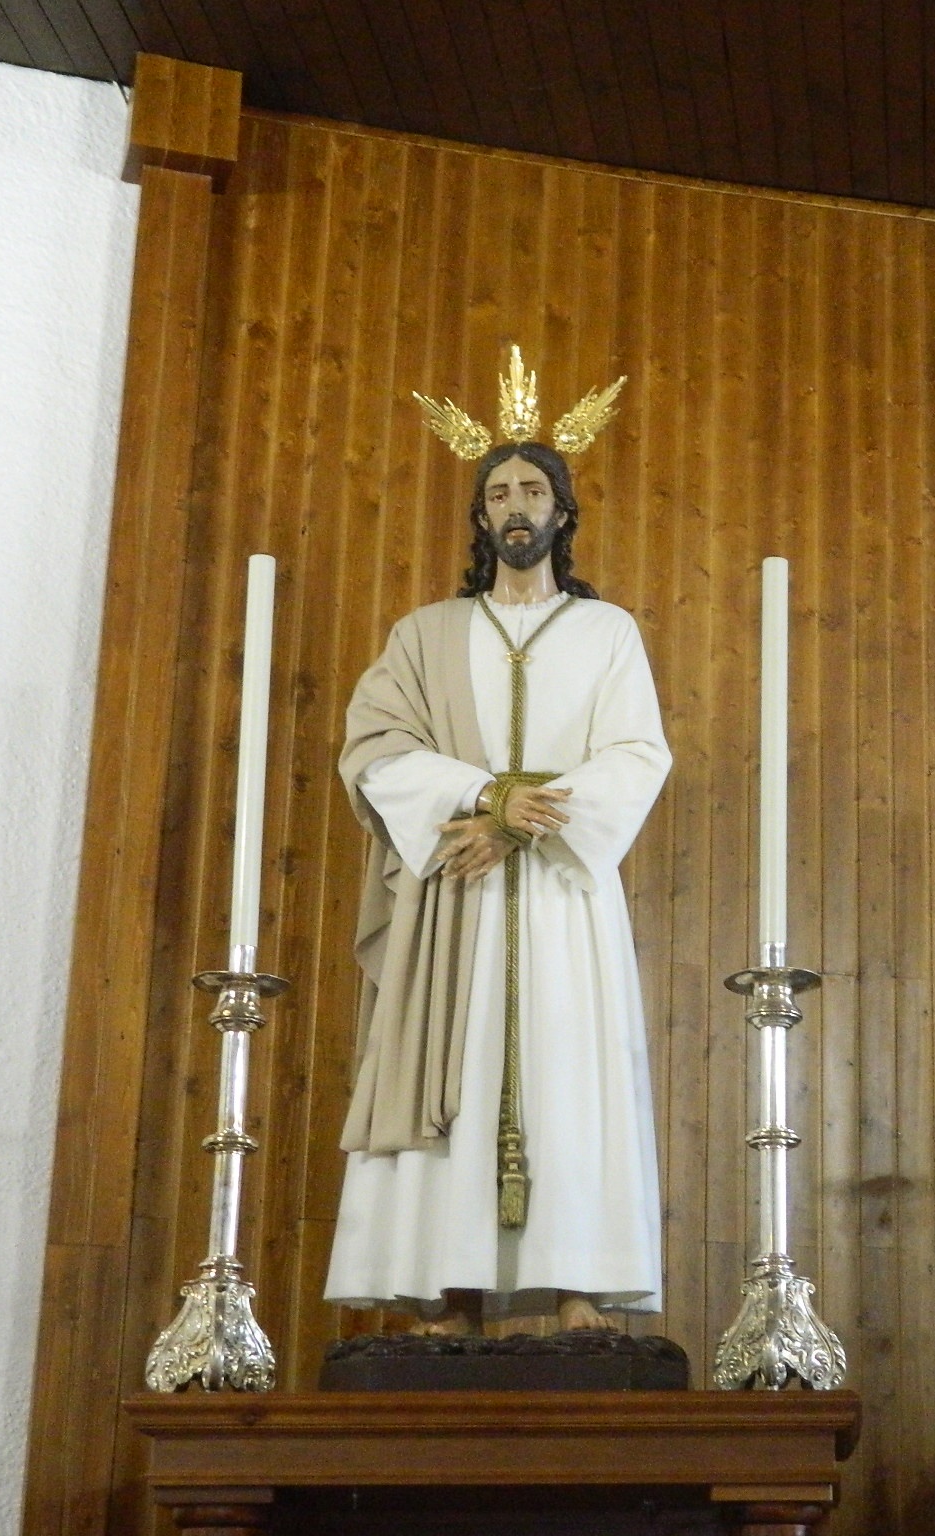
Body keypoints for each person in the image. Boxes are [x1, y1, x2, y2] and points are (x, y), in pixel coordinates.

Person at [324, 366, 670, 1335]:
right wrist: (482, 798)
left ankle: (576, 1285)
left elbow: (636, 753)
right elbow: (374, 746)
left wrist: (522, 819)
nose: (516, 506)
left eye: (532, 490)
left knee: (569, 1072)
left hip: (564, 892)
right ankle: (449, 1287)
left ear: (562, 510)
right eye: (499, 493)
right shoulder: (425, 634)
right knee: (458, 1066)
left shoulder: (605, 632)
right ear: (481, 518)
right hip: (459, 890)